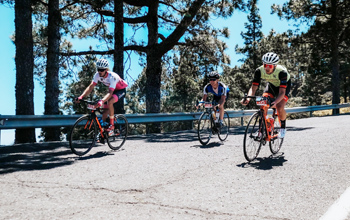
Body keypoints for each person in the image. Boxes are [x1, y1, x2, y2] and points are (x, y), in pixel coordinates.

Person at [241, 52, 291, 138]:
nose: (267, 68)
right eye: (265, 65)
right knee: (263, 103)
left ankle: (283, 128)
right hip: (271, 86)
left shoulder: (282, 72)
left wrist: (275, 102)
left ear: (275, 66)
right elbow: (253, 88)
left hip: (283, 87)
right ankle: (261, 130)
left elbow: (282, 92)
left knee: (279, 106)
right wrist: (248, 99)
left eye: (270, 66)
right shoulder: (259, 71)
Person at [75, 58, 128, 134]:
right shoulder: (97, 75)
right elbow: (90, 87)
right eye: (98, 69)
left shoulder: (112, 77)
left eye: (102, 70)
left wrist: (101, 101)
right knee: (104, 111)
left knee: (110, 102)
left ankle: (112, 125)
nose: (99, 71)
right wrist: (81, 97)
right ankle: (103, 132)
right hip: (112, 90)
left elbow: (110, 93)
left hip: (120, 90)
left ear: (106, 70)